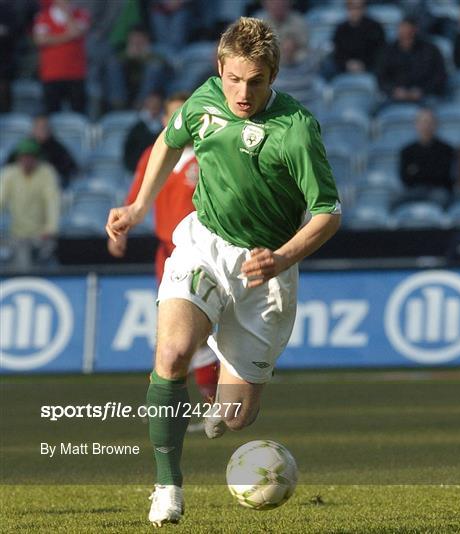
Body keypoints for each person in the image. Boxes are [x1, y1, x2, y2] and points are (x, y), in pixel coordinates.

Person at [105, 17, 341, 527]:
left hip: (266, 272)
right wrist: (140, 206)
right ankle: (167, 487)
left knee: (237, 418)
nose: (242, 92)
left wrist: (282, 257)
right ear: (220, 68)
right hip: (203, 245)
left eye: (255, 81)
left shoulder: (297, 129)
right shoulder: (204, 99)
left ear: (272, 75)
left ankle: (222, 355)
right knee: (170, 355)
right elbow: (170, 140)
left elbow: (328, 212)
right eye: (234, 78)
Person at [109, 91, 219, 404]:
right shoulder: (152, 155)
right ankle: (176, 401)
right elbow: (135, 198)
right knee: (172, 326)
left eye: (184, 116)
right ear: (164, 121)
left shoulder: (208, 153)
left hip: (204, 251)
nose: (179, 123)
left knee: (201, 323)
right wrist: (120, 232)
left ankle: (212, 397)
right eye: (173, 117)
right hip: (167, 253)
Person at [0, 139, 61, 271]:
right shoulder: (9, 174)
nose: (26, 161)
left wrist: (50, 228)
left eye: (30, 156)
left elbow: (52, 201)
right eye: (23, 157)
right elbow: (1, 199)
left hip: (41, 234)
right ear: (18, 158)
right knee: (21, 262)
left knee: (45, 262)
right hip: (17, 233)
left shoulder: (46, 173)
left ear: (36, 158)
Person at [33, 0, 90, 114]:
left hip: (75, 73)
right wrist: (68, 35)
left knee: (78, 112)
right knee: (52, 112)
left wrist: (68, 14)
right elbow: (40, 40)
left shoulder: (81, 14)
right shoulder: (43, 16)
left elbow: (77, 32)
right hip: (51, 74)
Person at [377, 16, 447, 104]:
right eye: (403, 33)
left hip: (425, 97)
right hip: (395, 97)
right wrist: (394, 90)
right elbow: (381, 77)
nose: (406, 37)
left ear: (416, 31)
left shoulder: (430, 50)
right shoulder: (388, 51)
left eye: (409, 33)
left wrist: (422, 91)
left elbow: (440, 76)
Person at [398, 108, 455, 207]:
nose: (426, 126)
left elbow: (446, 177)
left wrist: (417, 171)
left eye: (429, 122)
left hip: (438, 191)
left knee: (442, 200)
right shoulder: (407, 151)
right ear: (416, 125)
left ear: (435, 125)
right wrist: (430, 172)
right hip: (415, 190)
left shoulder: (447, 150)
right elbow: (405, 178)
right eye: (423, 122)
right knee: (396, 202)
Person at [105, 25, 170, 111]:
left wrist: (145, 57)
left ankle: (142, 106)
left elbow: (167, 65)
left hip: (148, 92)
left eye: (140, 40)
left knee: (155, 67)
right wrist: (128, 57)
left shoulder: (156, 52)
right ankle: (118, 106)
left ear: (147, 40)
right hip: (125, 90)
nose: (137, 43)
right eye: (134, 39)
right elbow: (111, 63)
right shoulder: (121, 51)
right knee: (113, 65)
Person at [8, 114, 78, 188]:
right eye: (39, 128)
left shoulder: (58, 148)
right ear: (33, 129)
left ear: (49, 130)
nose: (42, 131)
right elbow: (9, 166)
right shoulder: (23, 146)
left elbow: (71, 169)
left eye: (45, 127)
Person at [331, 0, 385, 77]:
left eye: (358, 7)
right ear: (347, 9)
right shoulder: (340, 29)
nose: (355, 11)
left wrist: (364, 64)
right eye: (351, 7)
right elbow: (337, 53)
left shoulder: (375, 27)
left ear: (364, 8)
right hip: (344, 69)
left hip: (371, 68)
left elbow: (380, 52)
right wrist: (347, 64)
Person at [123, 92, 163, 173]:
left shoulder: (164, 127)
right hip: (136, 170)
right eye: (151, 103)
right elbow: (129, 151)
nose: (154, 107)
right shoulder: (136, 127)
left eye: (156, 104)